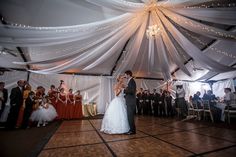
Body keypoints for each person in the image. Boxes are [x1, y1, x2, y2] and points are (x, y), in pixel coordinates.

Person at [124, 70, 137, 134]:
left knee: (130, 116)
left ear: (128, 75)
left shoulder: (132, 81)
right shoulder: (130, 81)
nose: (125, 76)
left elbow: (132, 91)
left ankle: (132, 131)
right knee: (130, 116)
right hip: (129, 101)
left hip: (131, 102)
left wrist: (125, 90)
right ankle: (132, 130)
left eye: (125, 75)